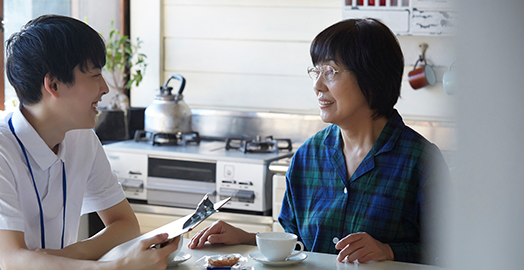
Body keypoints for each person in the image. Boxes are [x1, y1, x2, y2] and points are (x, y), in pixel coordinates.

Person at [188, 18, 449, 264]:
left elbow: (450, 252)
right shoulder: (307, 156)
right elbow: (298, 246)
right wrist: (245, 239)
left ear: (372, 77)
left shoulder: (421, 160)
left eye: (331, 71)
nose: (318, 86)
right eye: (316, 71)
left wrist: (388, 251)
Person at [0, 14, 179, 270]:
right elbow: (12, 261)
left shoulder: (81, 138)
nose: (105, 88)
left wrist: (69, 254)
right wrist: (118, 267)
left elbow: (125, 225)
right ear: (53, 84)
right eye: (95, 75)